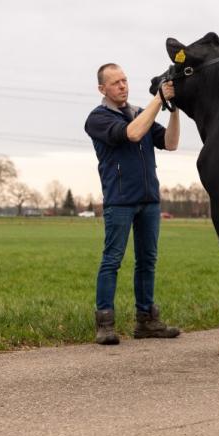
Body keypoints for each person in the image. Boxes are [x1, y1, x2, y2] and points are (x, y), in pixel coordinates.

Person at [84, 63, 181, 344]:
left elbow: (171, 143)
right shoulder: (98, 118)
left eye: (125, 80)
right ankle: (105, 323)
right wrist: (157, 100)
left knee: (147, 261)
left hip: (149, 200)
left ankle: (147, 322)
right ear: (102, 89)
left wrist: (173, 110)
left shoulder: (141, 113)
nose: (123, 86)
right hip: (120, 202)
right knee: (112, 260)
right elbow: (132, 134)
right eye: (115, 82)